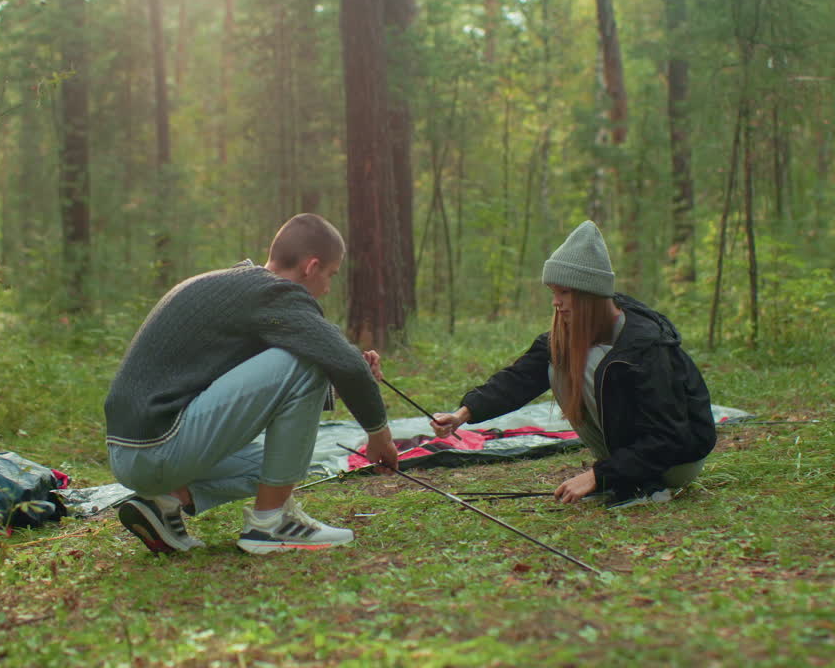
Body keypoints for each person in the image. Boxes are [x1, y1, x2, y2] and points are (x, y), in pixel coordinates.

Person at [105, 213, 399, 554]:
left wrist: (344, 379)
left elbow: (259, 393)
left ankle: (167, 500)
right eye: (331, 275)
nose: (329, 288)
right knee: (313, 358)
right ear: (311, 266)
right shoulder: (273, 293)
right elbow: (336, 361)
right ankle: (271, 524)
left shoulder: (235, 288)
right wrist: (380, 436)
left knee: (286, 463)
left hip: (130, 454)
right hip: (161, 446)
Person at [429, 221, 715, 509]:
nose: (556, 303)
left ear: (589, 293)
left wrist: (598, 476)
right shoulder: (569, 336)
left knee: (592, 363)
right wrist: (463, 414)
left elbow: (671, 437)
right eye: (553, 292)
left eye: (564, 293)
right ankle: (626, 477)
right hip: (634, 460)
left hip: (677, 462)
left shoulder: (645, 346)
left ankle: (645, 488)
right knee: (559, 362)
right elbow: (519, 379)